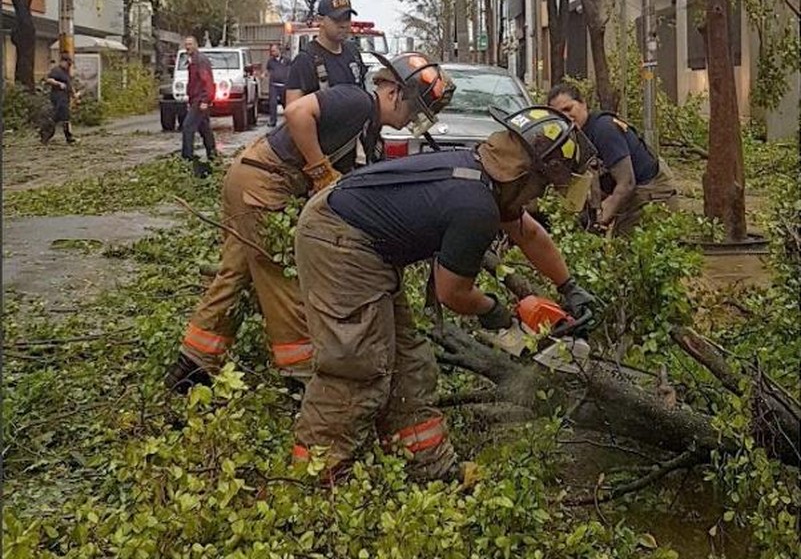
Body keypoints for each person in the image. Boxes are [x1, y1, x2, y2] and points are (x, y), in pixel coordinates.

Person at [290, 105, 598, 484]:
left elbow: (529, 234)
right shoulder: (476, 205)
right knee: (358, 365)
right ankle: (314, 479)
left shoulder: (483, 176)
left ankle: (430, 469)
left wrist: (570, 288)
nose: (539, 197)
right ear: (527, 176)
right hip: (338, 240)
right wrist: (498, 313)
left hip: (363, 243)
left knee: (410, 365)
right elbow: (453, 292)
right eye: (543, 187)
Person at [164, 52, 455, 394]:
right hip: (266, 183)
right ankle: (303, 380)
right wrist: (319, 169)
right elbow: (297, 111)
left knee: (236, 275)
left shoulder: (368, 129)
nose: (412, 119)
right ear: (393, 93)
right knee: (288, 280)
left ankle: (190, 368)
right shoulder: (356, 101)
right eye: (414, 109)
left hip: (250, 178)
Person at [547, 82, 678, 235]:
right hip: (631, 191)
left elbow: (626, 183)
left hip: (652, 192)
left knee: (629, 247)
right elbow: (594, 181)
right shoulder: (576, 137)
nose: (565, 117)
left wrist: (600, 221)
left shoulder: (604, 129)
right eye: (559, 114)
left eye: (568, 109)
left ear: (583, 104)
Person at [285, 0, 366, 107]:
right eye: (337, 19)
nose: (344, 25)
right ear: (320, 20)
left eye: (347, 18)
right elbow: (293, 112)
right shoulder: (305, 60)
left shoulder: (353, 52)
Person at [181, 35, 217, 164]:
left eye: (190, 44)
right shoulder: (192, 61)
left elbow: (207, 81)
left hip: (200, 99)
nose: (188, 47)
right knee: (204, 128)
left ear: (196, 45)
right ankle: (213, 155)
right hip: (195, 99)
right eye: (186, 44)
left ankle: (187, 158)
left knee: (187, 127)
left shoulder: (200, 61)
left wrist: (205, 100)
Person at [41, 53, 78, 145]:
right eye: (67, 63)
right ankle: (68, 137)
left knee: (59, 117)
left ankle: (46, 134)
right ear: (62, 62)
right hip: (58, 96)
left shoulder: (66, 72)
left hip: (65, 97)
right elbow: (49, 80)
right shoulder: (56, 70)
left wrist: (74, 94)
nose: (68, 65)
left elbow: (69, 84)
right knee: (63, 116)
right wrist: (58, 84)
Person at [266, 43, 290, 127]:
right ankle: (273, 121)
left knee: (285, 103)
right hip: (274, 85)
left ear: (279, 50)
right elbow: (268, 71)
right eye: (271, 51)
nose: (273, 52)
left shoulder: (287, 60)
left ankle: (289, 120)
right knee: (273, 103)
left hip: (284, 85)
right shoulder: (270, 61)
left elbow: (291, 69)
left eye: (274, 51)